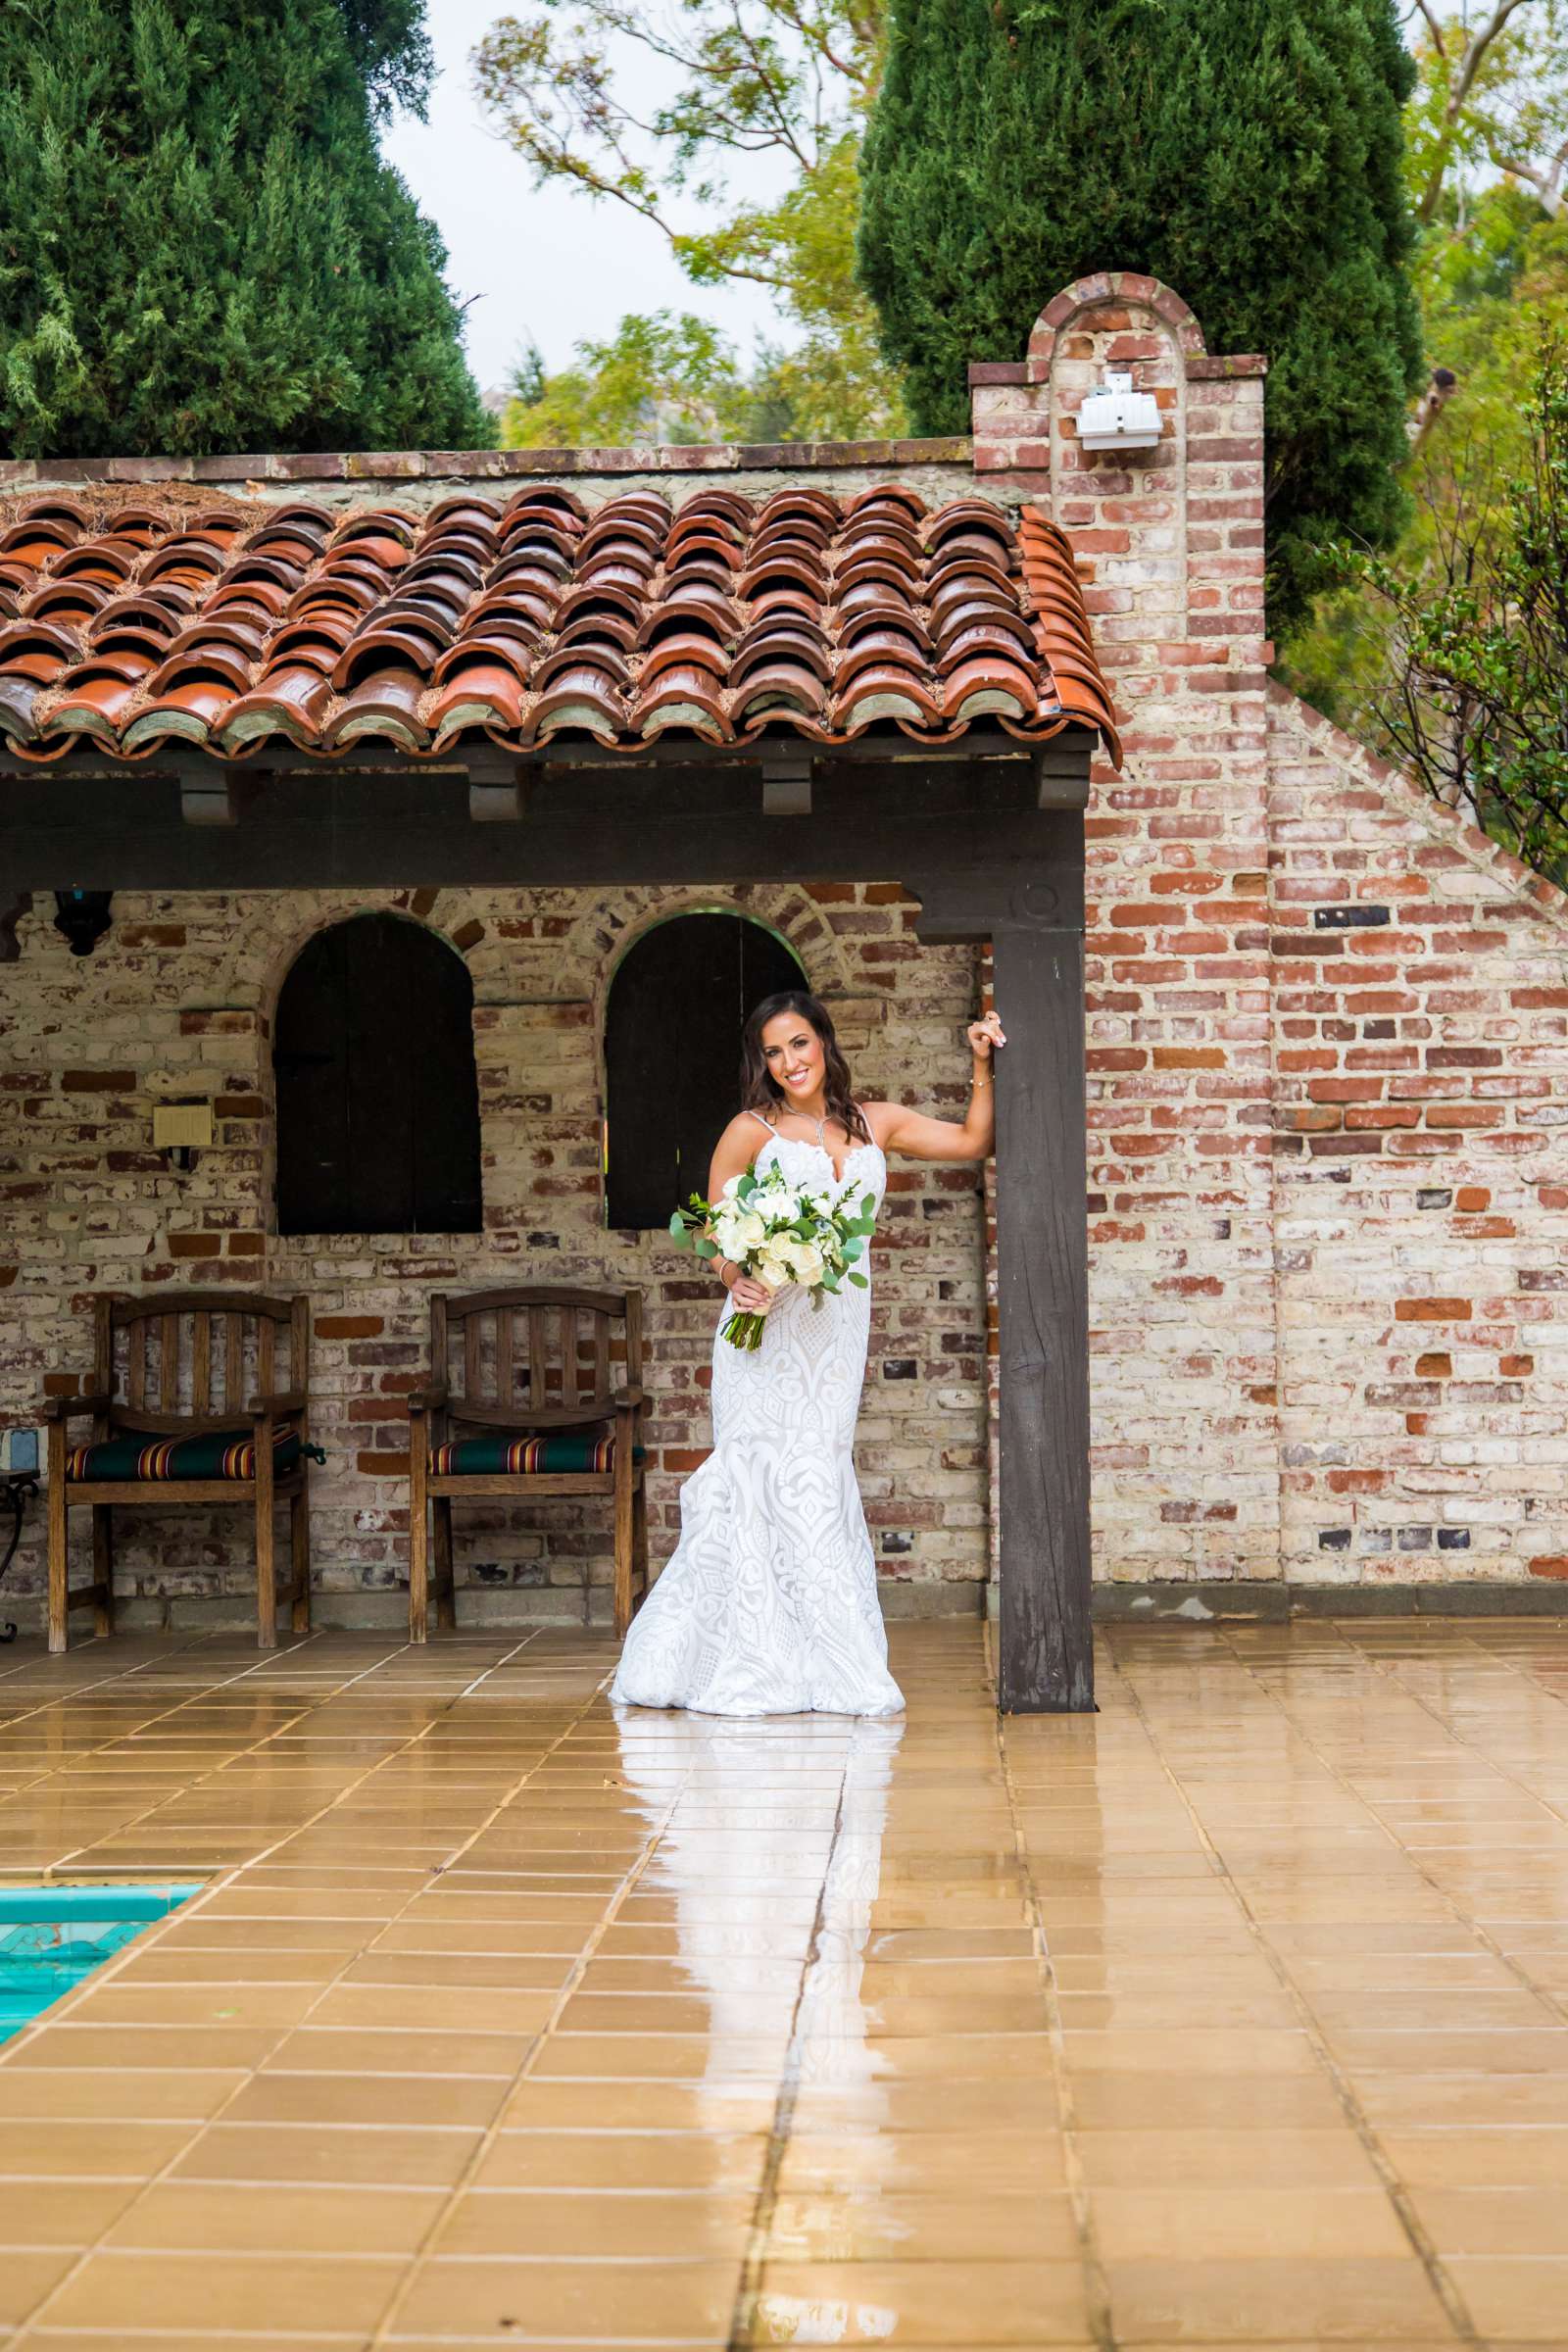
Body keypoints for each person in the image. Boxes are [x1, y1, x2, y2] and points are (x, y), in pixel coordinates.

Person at [611, 989, 1006, 1717]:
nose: (789, 1061)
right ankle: (749, 1659)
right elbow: (710, 1233)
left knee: (815, 1475)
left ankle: (825, 1663)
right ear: (761, 1063)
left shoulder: (874, 1122)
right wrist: (741, 1279)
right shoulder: (749, 1130)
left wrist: (980, 1061)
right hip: (764, 1334)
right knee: (758, 1474)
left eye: (798, 1043)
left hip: (835, 1327)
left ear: (824, 1042)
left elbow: (971, 1142)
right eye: (772, 1051)